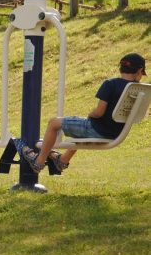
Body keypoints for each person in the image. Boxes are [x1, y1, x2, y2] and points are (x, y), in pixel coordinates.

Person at [17, 53, 146, 174]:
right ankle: (62, 160)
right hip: (115, 133)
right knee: (79, 126)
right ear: (139, 71)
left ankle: (38, 162)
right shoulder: (139, 90)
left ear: (121, 68)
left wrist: (91, 114)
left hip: (97, 130)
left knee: (53, 123)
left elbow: (99, 112)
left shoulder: (110, 84)